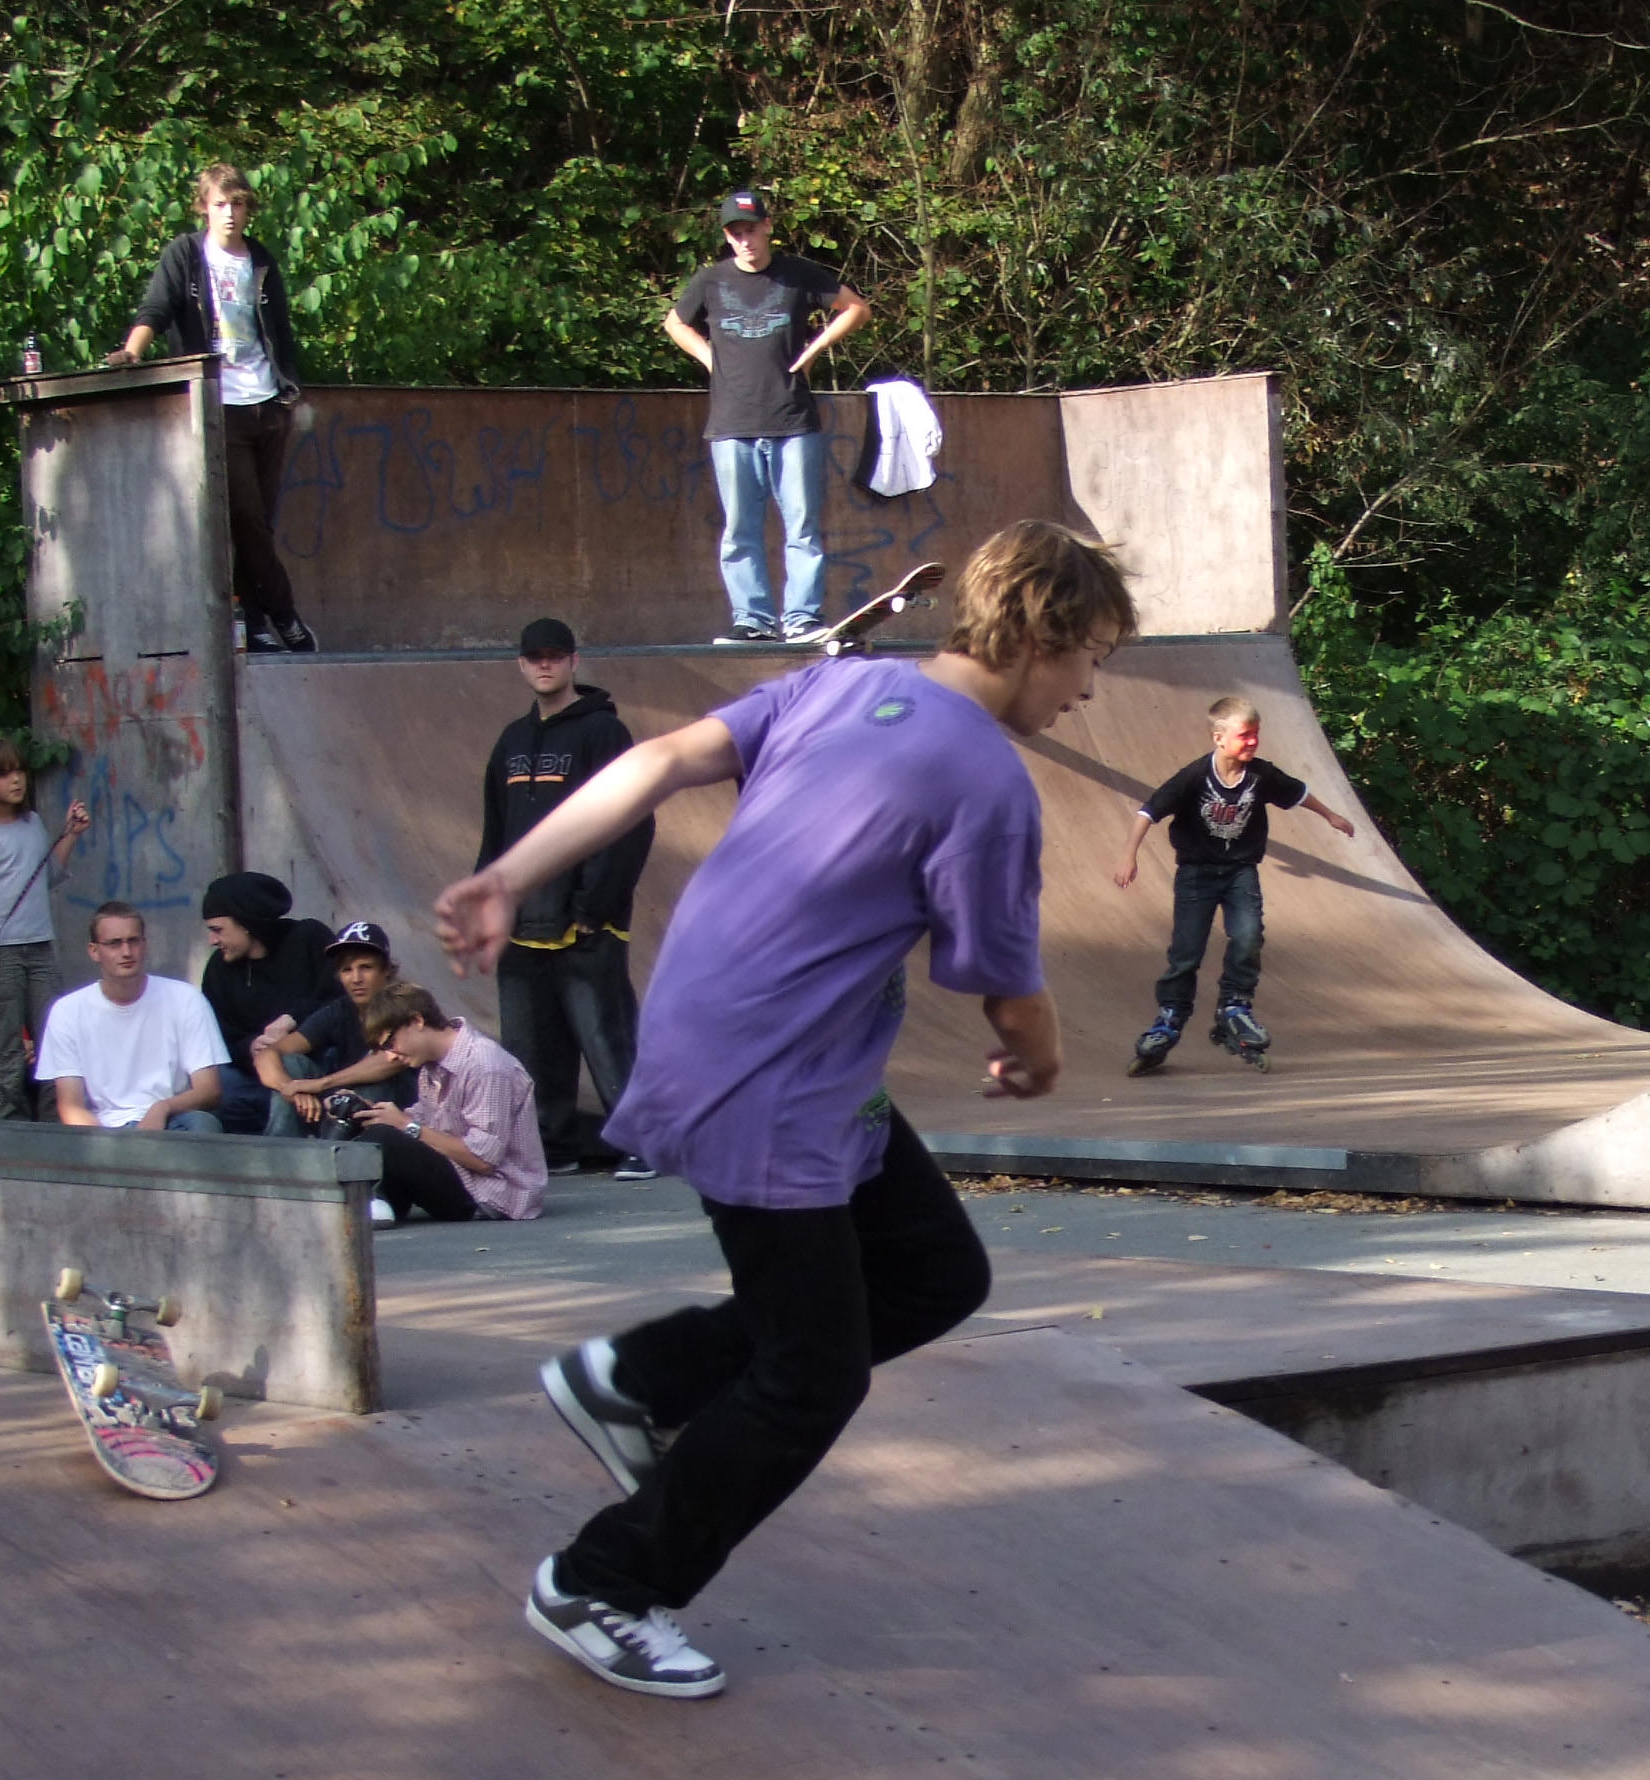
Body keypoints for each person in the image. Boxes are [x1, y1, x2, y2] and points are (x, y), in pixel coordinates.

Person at [434, 519, 1136, 1698]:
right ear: (1038, 636)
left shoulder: (838, 685)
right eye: (1091, 660)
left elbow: (658, 763)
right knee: (813, 1373)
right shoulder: (987, 783)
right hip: (769, 1083)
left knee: (935, 1273)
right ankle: (601, 1582)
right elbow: (1010, 995)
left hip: (748, 1044)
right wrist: (1041, 1060)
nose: (1089, 691)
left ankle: (644, 1378)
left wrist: (510, 871)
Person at [106, 162, 318, 654]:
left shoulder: (260, 261)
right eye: (220, 204)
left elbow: (280, 334)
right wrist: (132, 351)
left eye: (238, 204)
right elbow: (156, 309)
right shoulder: (186, 255)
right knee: (246, 516)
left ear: (248, 209)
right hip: (218, 405)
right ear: (203, 207)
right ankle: (284, 613)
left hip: (267, 402)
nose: (229, 214)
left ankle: (255, 624)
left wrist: (289, 392)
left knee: (258, 522)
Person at [479, 618, 655, 1180]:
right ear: (521, 664)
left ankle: (643, 1143)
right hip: (521, 921)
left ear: (574, 661)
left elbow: (630, 821)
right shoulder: (511, 740)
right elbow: (496, 831)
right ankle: (552, 1144)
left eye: (555, 655)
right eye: (535, 657)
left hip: (586, 920)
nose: (545, 664)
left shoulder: (604, 732)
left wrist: (593, 906)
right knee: (532, 1045)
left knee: (607, 1037)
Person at [666, 189, 873, 644]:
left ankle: (801, 619)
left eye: (751, 230)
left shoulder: (797, 274)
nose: (745, 241)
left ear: (767, 227)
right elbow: (674, 322)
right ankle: (753, 620)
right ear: (727, 237)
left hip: (793, 420)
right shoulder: (711, 281)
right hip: (731, 424)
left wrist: (816, 348)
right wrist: (709, 357)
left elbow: (857, 308)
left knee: (801, 527)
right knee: (740, 530)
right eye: (736, 234)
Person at [1114, 694, 1357, 1068]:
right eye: (1245, 735)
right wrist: (1129, 855)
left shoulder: (1261, 775)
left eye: (1256, 734)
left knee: (1248, 937)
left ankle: (1234, 1006)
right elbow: (1148, 812)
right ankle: (1170, 1018)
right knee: (1186, 952)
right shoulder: (1194, 777)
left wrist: (1331, 816)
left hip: (1240, 872)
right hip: (1196, 875)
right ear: (1219, 737)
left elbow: (1299, 793)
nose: (1253, 741)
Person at [0, 737, 91, 1123]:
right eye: (4, 773)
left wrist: (71, 834)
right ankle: (7, 1128)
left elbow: (47, 876)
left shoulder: (32, 823)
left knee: (55, 1039)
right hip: (0, 955)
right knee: (7, 1047)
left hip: (40, 947)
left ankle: (55, 1120)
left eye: (18, 770)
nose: (16, 780)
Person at [349, 982, 546, 1228]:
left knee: (383, 1138)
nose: (390, 1057)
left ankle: (369, 1201)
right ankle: (377, 1202)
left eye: (390, 1043)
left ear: (417, 1021)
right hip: (462, 1176)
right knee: (364, 1126)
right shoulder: (431, 1066)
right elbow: (425, 1120)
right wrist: (373, 1112)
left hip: (493, 1193)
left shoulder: (485, 1064)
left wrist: (405, 1125)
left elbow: (484, 1160)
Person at [36, 902, 230, 1132]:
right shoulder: (67, 1011)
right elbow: (71, 1107)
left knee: (203, 1124)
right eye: (114, 943)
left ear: (144, 945)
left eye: (133, 941)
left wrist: (162, 1108)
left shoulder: (186, 998)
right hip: (106, 1128)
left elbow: (209, 1090)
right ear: (94, 951)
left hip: (173, 1119)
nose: (126, 952)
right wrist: (109, 1145)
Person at [198, 871, 341, 1134]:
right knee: (215, 1085)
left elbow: (341, 997)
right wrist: (251, 1047)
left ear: (246, 922)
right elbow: (216, 1037)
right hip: (253, 1080)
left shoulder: (308, 938)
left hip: (319, 1072)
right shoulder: (219, 970)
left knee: (292, 1064)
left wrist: (293, 1019)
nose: (213, 941)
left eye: (218, 930)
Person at [250, 920, 417, 1134]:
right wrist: (291, 1090)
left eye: (366, 968)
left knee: (373, 1086)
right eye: (347, 970)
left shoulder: (405, 1002)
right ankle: (278, 1152)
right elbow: (268, 1053)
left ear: (386, 970)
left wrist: (320, 1084)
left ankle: (332, 1151)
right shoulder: (339, 1009)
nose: (356, 979)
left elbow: (392, 1059)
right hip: (339, 1099)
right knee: (292, 1063)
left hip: (395, 1114)